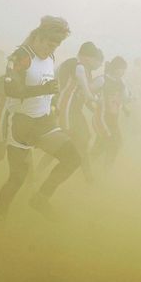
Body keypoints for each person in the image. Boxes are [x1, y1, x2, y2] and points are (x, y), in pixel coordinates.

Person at [0, 16, 80, 223]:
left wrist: (52, 101)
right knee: (17, 179)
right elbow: (11, 89)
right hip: (20, 125)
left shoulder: (50, 57)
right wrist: (43, 89)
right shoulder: (20, 56)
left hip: (44, 122)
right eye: (50, 44)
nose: (52, 49)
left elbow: (48, 85)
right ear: (38, 37)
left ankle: (40, 199)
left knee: (73, 159)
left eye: (57, 45)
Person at [54, 42, 103, 183]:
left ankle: (88, 178)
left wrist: (93, 106)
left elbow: (82, 94)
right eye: (96, 60)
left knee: (82, 141)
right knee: (67, 143)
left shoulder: (85, 70)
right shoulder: (76, 65)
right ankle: (88, 178)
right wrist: (95, 100)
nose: (98, 65)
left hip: (74, 111)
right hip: (65, 109)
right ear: (88, 57)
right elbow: (86, 94)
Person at [90, 56, 129, 168]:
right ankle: (101, 171)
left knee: (110, 144)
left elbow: (125, 98)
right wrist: (95, 100)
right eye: (121, 68)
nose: (123, 72)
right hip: (101, 118)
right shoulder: (102, 80)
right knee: (112, 143)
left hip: (113, 120)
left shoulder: (121, 82)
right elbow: (88, 91)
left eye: (124, 69)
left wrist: (125, 108)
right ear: (114, 68)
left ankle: (91, 168)